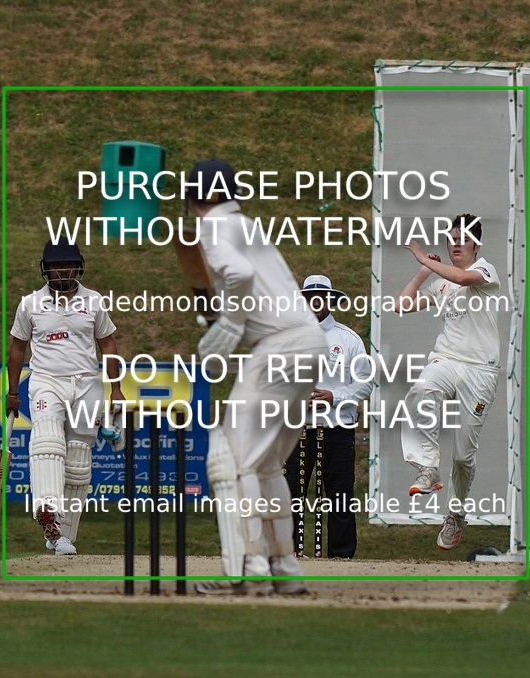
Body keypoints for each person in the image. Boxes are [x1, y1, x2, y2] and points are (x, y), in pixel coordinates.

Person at [185, 158, 327, 596]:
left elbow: (241, 277)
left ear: (199, 198)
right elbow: (256, 287)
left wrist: (227, 324)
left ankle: (246, 568)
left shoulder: (211, 229)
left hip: (280, 349)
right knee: (265, 464)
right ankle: (283, 568)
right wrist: (224, 319)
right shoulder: (249, 227)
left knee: (233, 459)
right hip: (311, 343)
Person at [6, 240, 125, 556]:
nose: (61, 271)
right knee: (47, 440)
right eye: (56, 266)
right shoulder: (30, 304)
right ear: (45, 268)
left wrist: (115, 389)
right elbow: (18, 348)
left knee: (77, 460)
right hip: (47, 381)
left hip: (87, 384)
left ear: (78, 266)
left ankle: (63, 536)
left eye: (67, 265)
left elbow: (108, 345)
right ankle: (48, 515)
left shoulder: (94, 301)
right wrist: (13, 391)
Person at [395, 214, 500, 550]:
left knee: (463, 457)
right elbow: (401, 305)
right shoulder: (441, 281)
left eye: (462, 239)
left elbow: (462, 278)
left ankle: (455, 513)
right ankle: (427, 467)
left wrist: (427, 259)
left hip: (481, 369)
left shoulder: (484, 270)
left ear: (476, 245)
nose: (455, 243)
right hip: (447, 359)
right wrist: (423, 271)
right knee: (422, 388)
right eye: (451, 238)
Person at [283, 275, 373, 559]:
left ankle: (341, 555)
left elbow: (366, 382)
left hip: (337, 427)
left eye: (322, 296)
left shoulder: (347, 338)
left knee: (339, 496)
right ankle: (289, 552)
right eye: (311, 297)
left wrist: (334, 396)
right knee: (291, 493)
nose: (316, 302)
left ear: (330, 299)